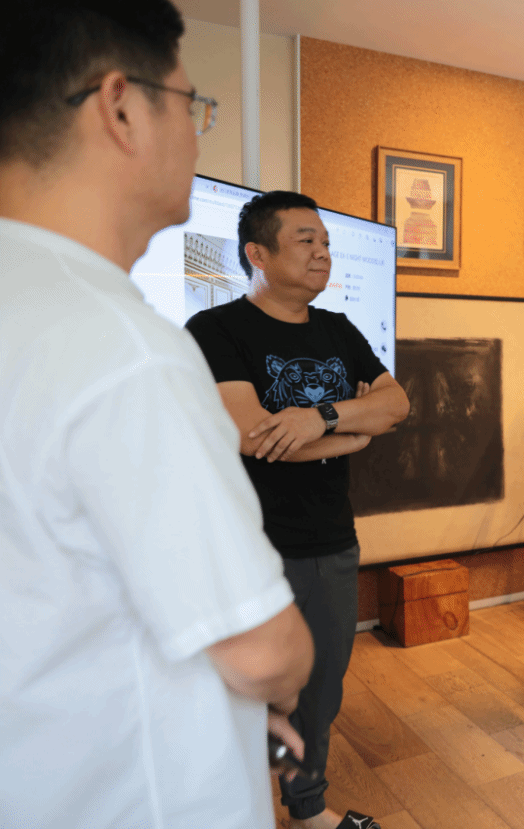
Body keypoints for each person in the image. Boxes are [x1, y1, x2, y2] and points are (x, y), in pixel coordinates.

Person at [0, 3, 315, 828]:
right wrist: (275, 680)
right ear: (120, 108)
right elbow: (265, 649)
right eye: (192, 105)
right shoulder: (125, 348)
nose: (198, 137)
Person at [185, 189, 410, 829]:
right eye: (306, 240)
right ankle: (233, 805)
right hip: (252, 546)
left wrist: (320, 417)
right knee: (249, 689)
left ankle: (306, 806)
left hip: (333, 541)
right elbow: (252, 435)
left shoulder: (338, 328)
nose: (323, 253)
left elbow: (396, 404)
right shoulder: (216, 329)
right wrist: (353, 436)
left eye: (327, 242)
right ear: (257, 254)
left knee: (321, 689)